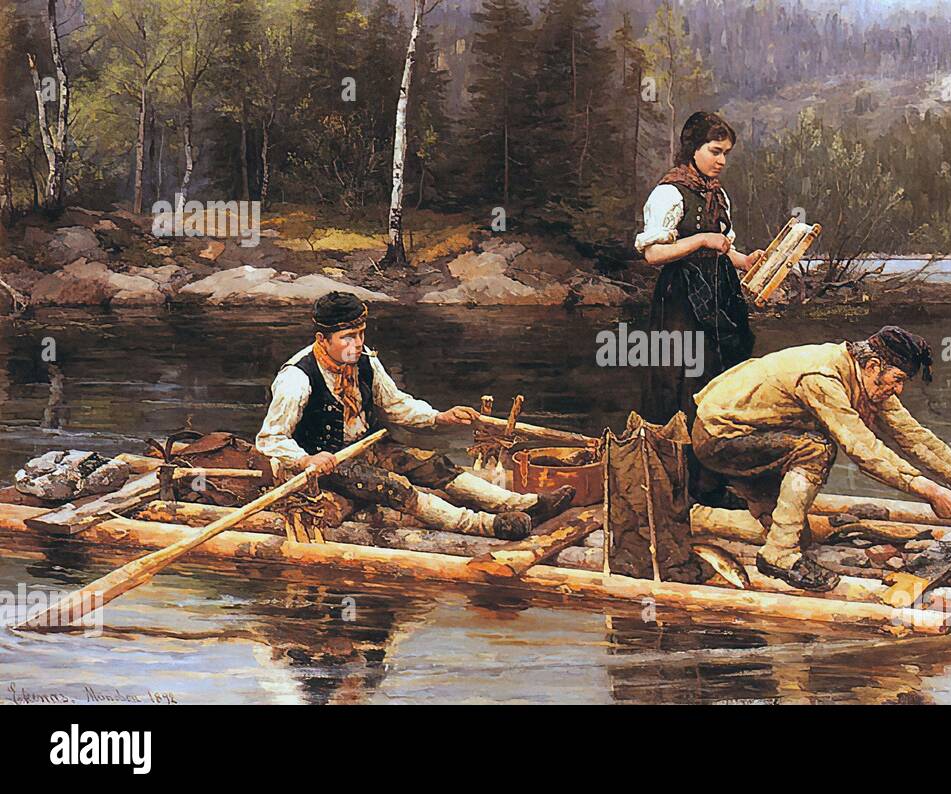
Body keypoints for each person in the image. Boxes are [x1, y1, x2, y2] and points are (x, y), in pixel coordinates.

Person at [690, 326, 951, 591]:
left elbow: (912, 436)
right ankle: (778, 554)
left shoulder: (867, 378)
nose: (899, 390)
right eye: (897, 379)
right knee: (816, 448)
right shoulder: (824, 378)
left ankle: (769, 518)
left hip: (754, 433)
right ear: (873, 366)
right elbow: (863, 450)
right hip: (719, 437)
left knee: (801, 520)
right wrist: (931, 492)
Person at [256, 291, 574, 541]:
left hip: (367, 447)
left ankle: (520, 504)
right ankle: (486, 525)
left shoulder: (365, 361)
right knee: (394, 487)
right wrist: (306, 461)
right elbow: (270, 439)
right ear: (322, 339)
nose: (357, 344)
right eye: (347, 338)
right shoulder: (297, 377)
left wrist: (440, 417)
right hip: (322, 465)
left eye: (360, 334)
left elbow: (396, 405)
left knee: (433, 464)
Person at [636, 110, 762, 506]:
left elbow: (723, 246)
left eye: (726, 153)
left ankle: (710, 485)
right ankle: (675, 487)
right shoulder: (669, 193)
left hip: (718, 298)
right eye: (714, 151)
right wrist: (703, 240)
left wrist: (742, 260)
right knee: (681, 388)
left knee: (718, 385)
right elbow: (654, 254)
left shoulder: (717, 194)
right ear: (692, 149)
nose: (721, 160)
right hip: (680, 302)